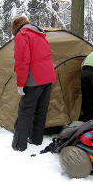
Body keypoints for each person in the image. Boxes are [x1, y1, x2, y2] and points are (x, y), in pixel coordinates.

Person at [11, 15, 56, 152]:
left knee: (25, 111)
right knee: (41, 111)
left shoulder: (22, 35)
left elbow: (22, 62)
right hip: (48, 77)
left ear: (15, 28)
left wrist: (20, 84)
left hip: (35, 79)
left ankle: (19, 145)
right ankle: (36, 140)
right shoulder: (39, 34)